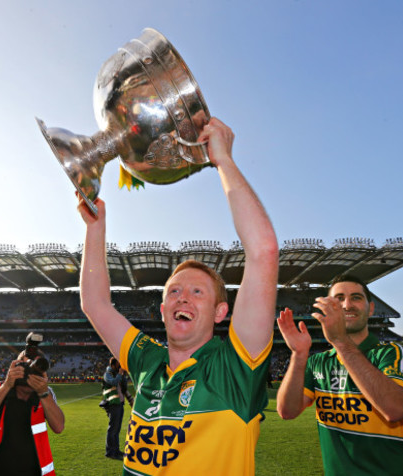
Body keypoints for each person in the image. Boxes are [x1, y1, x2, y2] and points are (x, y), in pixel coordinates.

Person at [78, 117, 278, 475]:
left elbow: (262, 251)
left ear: (220, 312)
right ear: (162, 308)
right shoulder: (146, 361)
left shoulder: (234, 368)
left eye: (197, 292)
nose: (182, 298)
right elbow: (95, 305)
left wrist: (224, 163)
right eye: (174, 292)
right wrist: (96, 228)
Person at [276, 275, 403, 475]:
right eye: (339, 299)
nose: (347, 305)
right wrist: (299, 355)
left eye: (356, 298)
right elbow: (287, 412)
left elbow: (395, 410)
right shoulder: (318, 362)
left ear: (371, 308)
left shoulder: (391, 353)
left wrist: (341, 341)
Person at [0, 349, 64, 476]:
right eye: (24, 367)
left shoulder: (45, 394)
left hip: (31, 468)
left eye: (34, 370)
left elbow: (58, 427)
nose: (28, 374)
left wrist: (43, 393)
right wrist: (7, 385)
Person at [101, 357, 133, 460]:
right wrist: (120, 374)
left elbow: (124, 387)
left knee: (117, 429)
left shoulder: (118, 375)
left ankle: (116, 450)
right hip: (113, 404)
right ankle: (110, 451)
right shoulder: (107, 374)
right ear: (113, 365)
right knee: (112, 429)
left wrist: (123, 375)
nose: (120, 367)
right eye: (118, 365)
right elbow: (114, 382)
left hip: (120, 403)